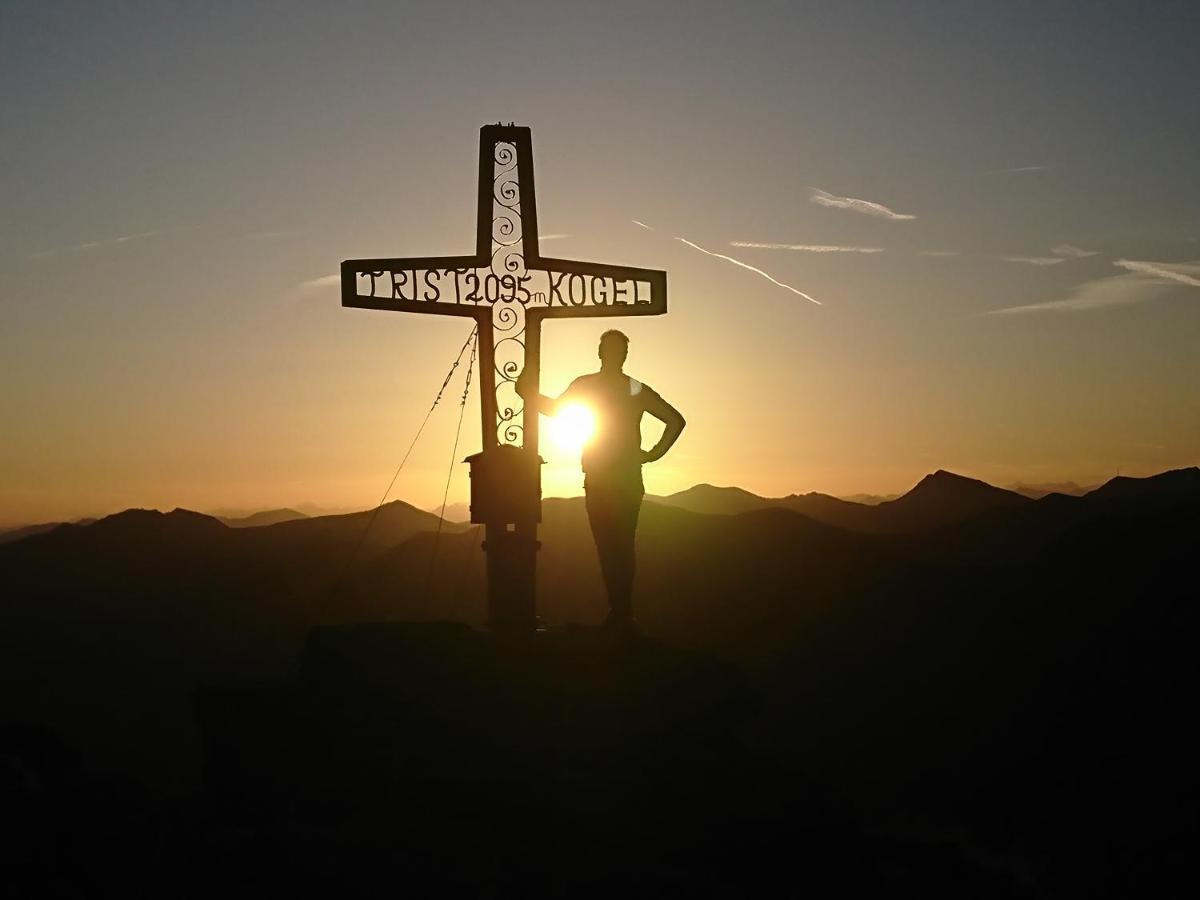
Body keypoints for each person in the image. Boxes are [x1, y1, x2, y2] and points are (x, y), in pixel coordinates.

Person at [517, 330, 685, 631]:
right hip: (627, 477)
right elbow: (675, 420)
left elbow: (554, 410)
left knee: (609, 546)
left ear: (601, 353)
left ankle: (620, 613)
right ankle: (622, 612)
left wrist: (527, 394)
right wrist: (652, 454)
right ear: (623, 355)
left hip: (601, 478)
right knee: (621, 546)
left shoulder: (588, 386)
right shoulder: (633, 388)